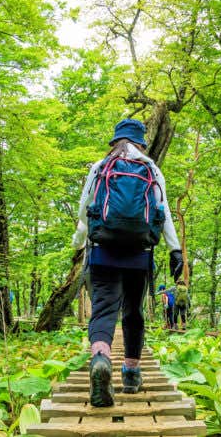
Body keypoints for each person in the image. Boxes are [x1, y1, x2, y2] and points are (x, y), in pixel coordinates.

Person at [71, 118, 183, 407]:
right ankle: (131, 374)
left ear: (115, 141)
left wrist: (78, 241)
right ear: (142, 143)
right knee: (133, 312)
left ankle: (101, 359)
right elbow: (164, 212)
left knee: (104, 310)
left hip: (102, 250)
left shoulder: (100, 167)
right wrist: (175, 250)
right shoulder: (152, 169)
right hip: (139, 252)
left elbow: (86, 209)